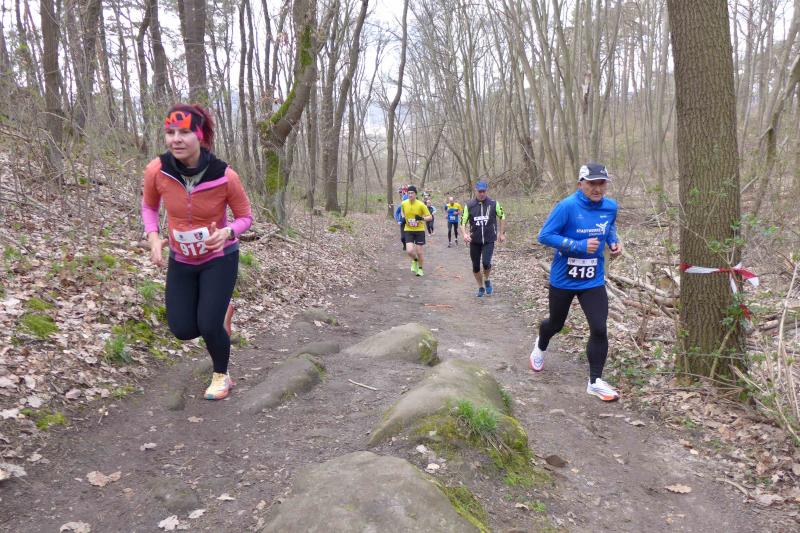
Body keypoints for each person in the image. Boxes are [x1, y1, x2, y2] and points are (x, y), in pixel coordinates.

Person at [142, 103, 253, 401]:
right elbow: (149, 206)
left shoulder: (224, 175)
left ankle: (221, 375)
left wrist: (228, 232)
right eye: (170, 132)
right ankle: (222, 313)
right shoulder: (157, 170)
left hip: (219, 258)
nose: (176, 139)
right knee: (182, 329)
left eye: (184, 132)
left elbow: (245, 217)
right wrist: (153, 237)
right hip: (181, 259)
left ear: (200, 136)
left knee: (208, 324)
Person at [530, 162, 623, 402]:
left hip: (592, 279)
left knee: (599, 328)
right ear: (580, 184)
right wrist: (578, 245)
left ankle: (595, 382)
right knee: (556, 324)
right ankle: (541, 344)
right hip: (564, 279)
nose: (597, 189)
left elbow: (609, 228)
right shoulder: (567, 207)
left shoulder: (610, 207)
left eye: (601, 183)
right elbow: (545, 236)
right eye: (592, 184)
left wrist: (614, 243)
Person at [461, 179, 506, 297]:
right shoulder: (469, 205)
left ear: (486, 191)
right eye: (479, 191)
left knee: (486, 263)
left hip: (489, 239)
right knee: (475, 266)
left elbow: (502, 216)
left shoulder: (494, 203)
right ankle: (480, 287)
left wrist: (502, 233)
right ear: (475, 191)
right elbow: (463, 221)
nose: (482, 193)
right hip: (474, 240)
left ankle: (487, 279)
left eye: (483, 191)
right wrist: (464, 234)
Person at [400, 185, 432, 276]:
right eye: (409, 193)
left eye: (412, 193)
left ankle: (420, 269)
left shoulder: (421, 205)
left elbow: (430, 217)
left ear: (416, 194)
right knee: (409, 251)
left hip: (419, 230)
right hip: (408, 229)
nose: (410, 195)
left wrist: (421, 218)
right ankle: (415, 260)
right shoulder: (404, 203)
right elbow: (402, 211)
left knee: (419, 252)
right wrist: (403, 217)